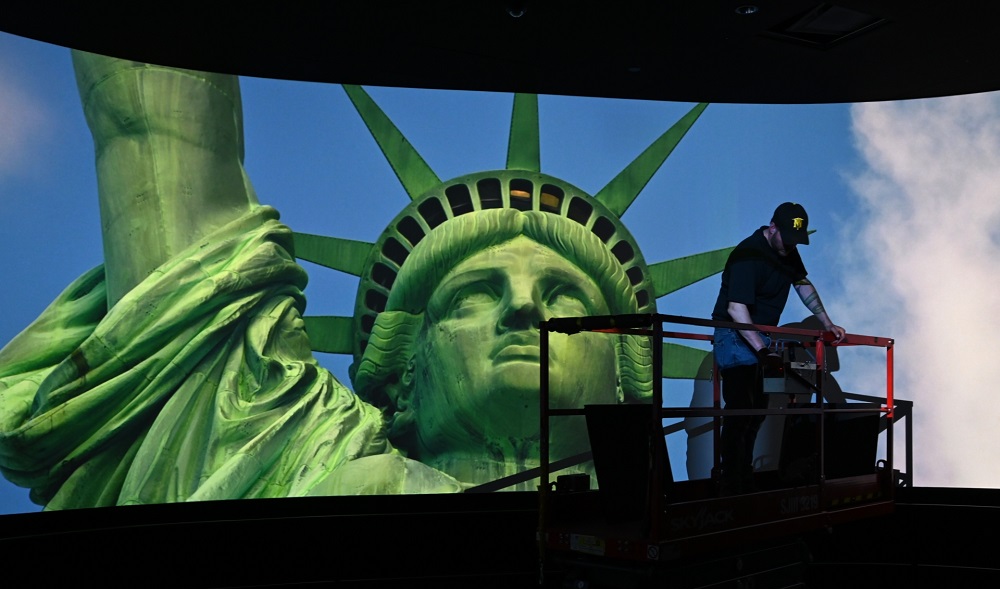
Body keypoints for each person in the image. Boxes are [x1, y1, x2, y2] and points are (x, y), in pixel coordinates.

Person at [0, 52, 653, 508]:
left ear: (627, 377)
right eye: (473, 295)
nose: (524, 308)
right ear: (404, 378)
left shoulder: (742, 545)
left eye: (566, 295)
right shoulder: (260, 445)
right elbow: (151, 123)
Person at [710, 202, 846, 495]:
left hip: (759, 338)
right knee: (740, 411)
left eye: (795, 241)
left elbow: (801, 282)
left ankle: (742, 477)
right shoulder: (748, 255)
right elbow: (736, 310)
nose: (790, 247)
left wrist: (827, 323)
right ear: (772, 228)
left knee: (756, 412)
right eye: (786, 238)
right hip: (736, 335)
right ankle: (731, 482)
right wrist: (762, 351)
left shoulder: (787, 249)